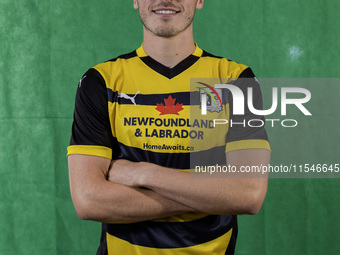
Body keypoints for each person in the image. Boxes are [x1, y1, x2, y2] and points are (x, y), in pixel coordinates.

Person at [67, 0, 271, 254]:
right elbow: (88, 201)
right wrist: (212, 194)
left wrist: (143, 174)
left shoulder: (236, 80)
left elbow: (248, 194)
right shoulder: (100, 81)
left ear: (199, 1)